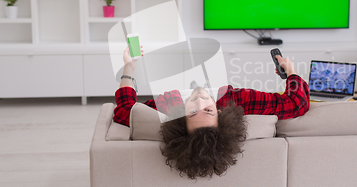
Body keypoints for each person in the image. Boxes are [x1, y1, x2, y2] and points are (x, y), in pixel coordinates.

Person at [114, 47, 310, 179]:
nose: (199, 99)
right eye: (207, 110)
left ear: (180, 117)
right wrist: (291, 72)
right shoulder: (238, 101)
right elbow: (296, 104)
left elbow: (125, 110)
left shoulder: (168, 106)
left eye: (192, 112)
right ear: (219, 112)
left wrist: (129, 67)